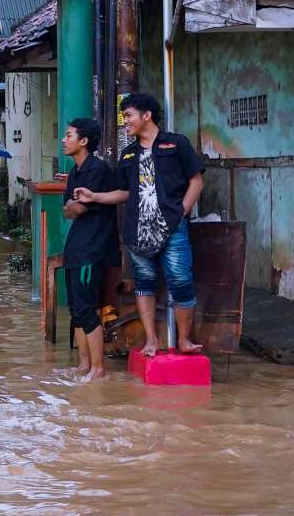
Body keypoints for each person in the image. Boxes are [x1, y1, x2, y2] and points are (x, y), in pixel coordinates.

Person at [92, 92, 205, 357]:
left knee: (181, 282)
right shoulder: (128, 155)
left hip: (172, 227)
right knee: (144, 283)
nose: (126, 122)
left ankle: (185, 341)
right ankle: (151, 341)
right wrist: (95, 196)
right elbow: (125, 192)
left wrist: (181, 212)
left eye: (129, 116)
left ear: (147, 115)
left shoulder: (176, 145)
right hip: (138, 230)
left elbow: (196, 181)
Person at [62, 119, 123, 380]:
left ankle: (98, 370)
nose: (64, 140)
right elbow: (67, 209)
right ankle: (83, 365)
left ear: (84, 141)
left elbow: (78, 208)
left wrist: (76, 206)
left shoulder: (98, 170)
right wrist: (73, 206)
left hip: (93, 250)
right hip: (76, 248)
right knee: (76, 309)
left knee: (87, 308)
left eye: (69, 135)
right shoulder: (75, 171)